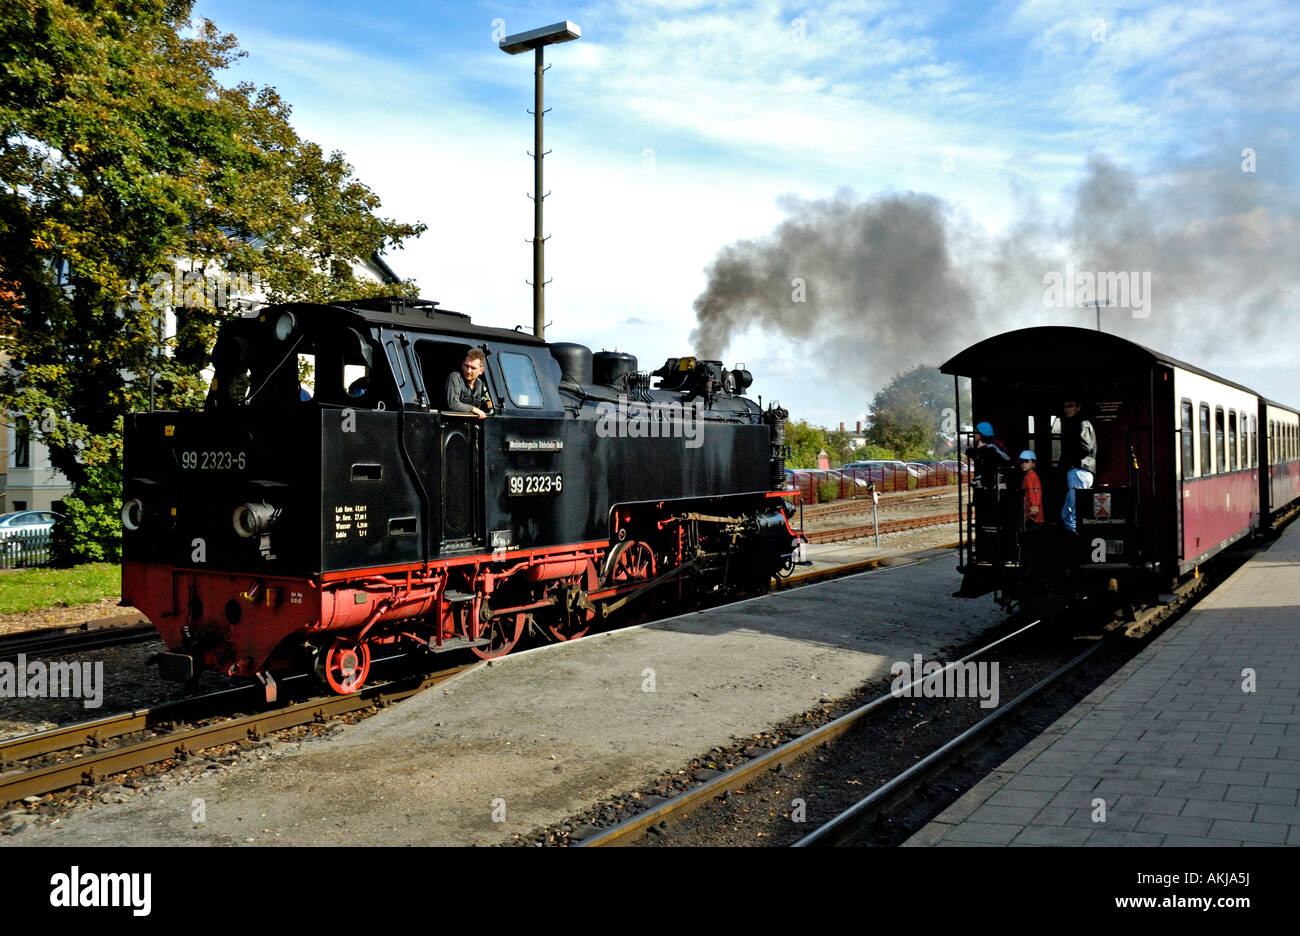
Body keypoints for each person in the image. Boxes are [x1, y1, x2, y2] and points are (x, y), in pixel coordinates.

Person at [1060, 398, 1097, 533]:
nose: (1067, 409)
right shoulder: (1080, 423)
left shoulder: (1080, 423)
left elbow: (1084, 448)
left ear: (1078, 408)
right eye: (1065, 406)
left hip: (1079, 470)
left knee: (1071, 516)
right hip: (1081, 471)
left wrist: (1068, 460)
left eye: (1070, 405)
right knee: (1068, 514)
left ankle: (1080, 544)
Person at [966, 421, 1013, 489]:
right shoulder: (984, 444)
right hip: (991, 481)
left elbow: (1006, 459)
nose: (974, 434)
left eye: (976, 432)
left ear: (982, 433)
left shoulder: (991, 445)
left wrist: (981, 449)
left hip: (998, 481)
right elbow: (980, 459)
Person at [445, 349, 491, 418]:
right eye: (466, 366)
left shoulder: (480, 384)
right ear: (462, 365)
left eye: (473, 368)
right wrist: (473, 409)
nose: (468, 371)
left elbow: (489, 404)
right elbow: (453, 404)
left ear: (481, 371)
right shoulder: (455, 377)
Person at [1019, 450, 1043, 530]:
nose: (1023, 464)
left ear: (1033, 464)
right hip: (1028, 513)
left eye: (1026, 461)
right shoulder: (1027, 476)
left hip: (1033, 516)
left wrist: (1035, 506)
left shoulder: (1032, 477)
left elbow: (1036, 492)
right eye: (1021, 462)